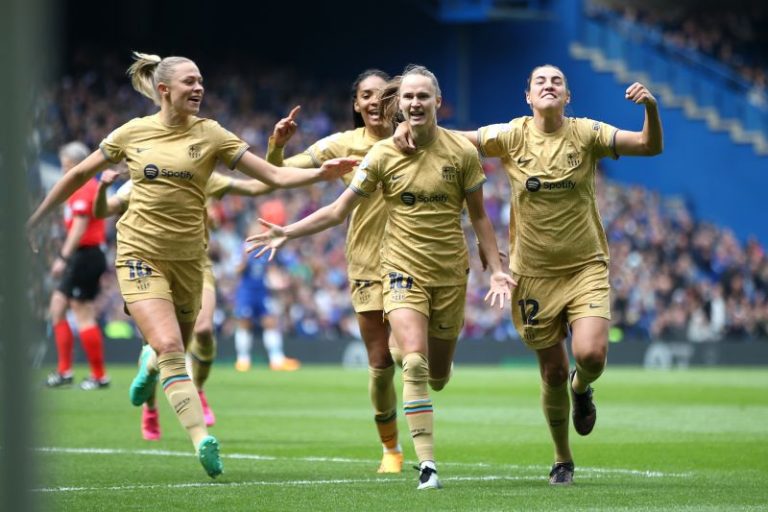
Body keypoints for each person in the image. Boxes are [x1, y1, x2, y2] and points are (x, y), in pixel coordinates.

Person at [26, 51, 359, 478]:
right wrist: (36, 219)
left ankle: (150, 366)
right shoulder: (132, 132)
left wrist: (321, 174)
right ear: (164, 90)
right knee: (170, 347)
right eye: (190, 81)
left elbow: (271, 177)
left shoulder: (212, 134)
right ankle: (201, 438)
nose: (199, 87)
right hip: (139, 255)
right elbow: (77, 176)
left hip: (189, 262)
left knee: (174, 348)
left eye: (201, 80)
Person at [247, 64, 514, 490]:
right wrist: (287, 226)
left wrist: (496, 267)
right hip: (387, 266)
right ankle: (411, 457)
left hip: (447, 271)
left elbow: (479, 214)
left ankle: (420, 372)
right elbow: (295, 184)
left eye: (420, 96)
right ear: (363, 104)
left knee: (434, 373)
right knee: (396, 361)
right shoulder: (360, 149)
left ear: (434, 102)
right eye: (404, 97)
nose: (409, 103)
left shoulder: (452, 150)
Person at [396, 64, 663, 485]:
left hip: (584, 266)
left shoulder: (587, 133)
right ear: (528, 96)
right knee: (552, 372)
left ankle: (582, 387)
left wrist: (650, 108)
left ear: (567, 96)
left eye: (557, 81)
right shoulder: (511, 135)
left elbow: (648, 145)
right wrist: (411, 130)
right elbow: (456, 139)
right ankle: (562, 457)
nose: (549, 85)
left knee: (591, 356)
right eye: (540, 81)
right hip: (532, 274)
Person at [263, 69, 405, 472]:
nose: (375, 101)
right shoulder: (342, 144)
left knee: (408, 354)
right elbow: (279, 172)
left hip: (414, 260)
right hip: (366, 262)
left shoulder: (416, 139)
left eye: (383, 94)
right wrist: (276, 145)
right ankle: (391, 449)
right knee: (381, 364)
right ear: (356, 104)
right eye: (366, 95)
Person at [93, 168, 273, 440]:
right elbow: (104, 210)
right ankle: (150, 408)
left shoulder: (204, 175)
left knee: (204, 330)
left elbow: (257, 186)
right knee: (155, 345)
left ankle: (197, 390)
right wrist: (102, 188)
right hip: (150, 266)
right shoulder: (142, 178)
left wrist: (282, 156)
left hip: (195, 264)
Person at [44, 141, 110, 391]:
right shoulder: (78, 189)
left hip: (86, 255)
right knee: (57, 307)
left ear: (79, 164)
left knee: (82, 312)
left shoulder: (84, 187)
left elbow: (80, 227)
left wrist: (62, 258)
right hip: (83, 255)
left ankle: (99, 376)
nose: (64, 171)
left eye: (67, 166)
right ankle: (64, 371)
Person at [233, 203, 301, 373]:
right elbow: (237, 271)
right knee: (245, 323)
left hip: (262, 292)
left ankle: (276, 359)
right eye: (255, 230)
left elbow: (270, 270)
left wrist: (280, 282)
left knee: (270, 322)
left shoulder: (265, 248)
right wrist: (244, 259)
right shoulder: (243, 248)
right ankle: (243, 360)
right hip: (246, 291)